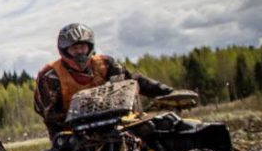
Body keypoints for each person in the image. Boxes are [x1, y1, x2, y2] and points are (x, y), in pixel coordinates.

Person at [34, 23, 173, 137]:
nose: (80, 52)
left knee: (152, 132)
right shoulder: (50, 76)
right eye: (74, 48)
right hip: (71, 131)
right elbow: (50, 114)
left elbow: (131, 81)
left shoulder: (105, 64)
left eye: (82, 47)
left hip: (113, 122)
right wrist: (82, 123)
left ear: (89, 47)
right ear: (65, 50)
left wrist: (165, 93)